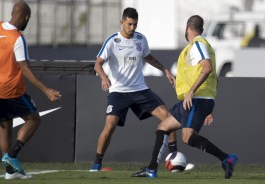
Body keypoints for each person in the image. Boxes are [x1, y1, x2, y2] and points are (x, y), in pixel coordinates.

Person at [131, 15, 238, 179]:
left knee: (187, 137)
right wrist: (205, 101)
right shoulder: (197, 46)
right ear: (201, 29)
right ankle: (151, 169)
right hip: (196, 100)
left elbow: (207, 68)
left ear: (188, 28)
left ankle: (226, 158)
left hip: (196, 99)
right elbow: (210, 76)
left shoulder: (198, 44)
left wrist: (192, 93)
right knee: (163, 127)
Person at [90, 7, 196, 172]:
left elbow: (149, 57)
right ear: (122, 22)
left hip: (140, 90)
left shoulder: (141, 39)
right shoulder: (112, 41)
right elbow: (97, 63)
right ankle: (96, 164)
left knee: (169, 118)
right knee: (110, 125)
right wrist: (104, 77)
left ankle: (175, 159)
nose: (132, 28)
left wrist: (165, 70)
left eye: (135, 25)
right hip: (118, 92)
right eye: (129, 24)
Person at [0, 1, 61, 180]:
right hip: (9, 90)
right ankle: (11, 156)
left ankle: (9, 172)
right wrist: (46, 90)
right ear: (26, 17)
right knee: (33, 119)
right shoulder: (17, 38)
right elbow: (24, 68)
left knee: (5, 126)